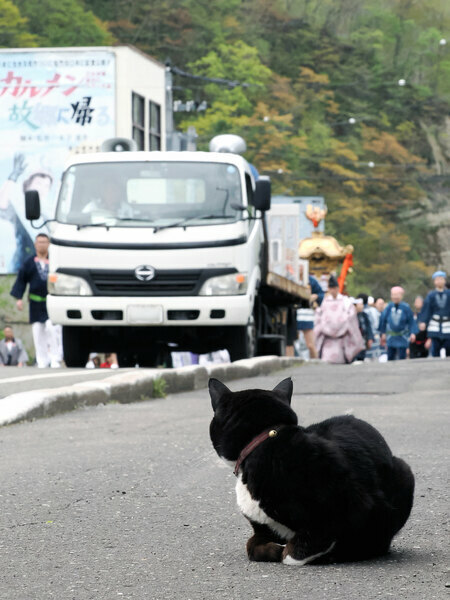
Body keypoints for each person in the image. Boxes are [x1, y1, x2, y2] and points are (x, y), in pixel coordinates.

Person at [10, 233, 62, 368]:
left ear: (49, 244)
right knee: (38, 330)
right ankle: (42, 360)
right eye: (40, 242)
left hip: (51, 301)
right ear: (35, 244)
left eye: (45, 242)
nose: (42, 245)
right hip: (35, 303)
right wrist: (19, 299)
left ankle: (55, 358)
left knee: (52, 327)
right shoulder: (29, 262)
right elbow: (21, 281)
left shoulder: (55, 261)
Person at [313, 275, 365, 364]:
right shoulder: (325, 302)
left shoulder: (345, 301)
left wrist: (343, 321)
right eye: (331, 288)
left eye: (334, 288)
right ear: (329, 289)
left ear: (337, 288)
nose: (332, 290)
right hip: (327, 335)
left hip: (342, 335)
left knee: (341, 359)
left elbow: (351, 315)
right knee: (327, 361)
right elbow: (320, 315)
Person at [379, 286, 416, 361]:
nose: (395, 297)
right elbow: (383, 320)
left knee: (402, 356)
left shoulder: (406, 307)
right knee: (390, 356)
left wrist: (412, 333)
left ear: (401, 296)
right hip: (391, 337)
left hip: (402, 336)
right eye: (393, 294)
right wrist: (382, 333)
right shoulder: (388, 307)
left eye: (397, 295)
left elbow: (411, 321)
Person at [418, 271, 450, 358]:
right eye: (437, 279)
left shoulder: (449, 294)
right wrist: (423, 321)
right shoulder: (431, 295)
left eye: (441, 279)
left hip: (447, 325)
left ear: (444, 280)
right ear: (434, 282)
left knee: (448, 347)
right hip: (435, 325)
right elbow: (426, 309)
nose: (439, 281)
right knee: (435, 349)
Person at [295, 274, 324, 359]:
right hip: (294, 312)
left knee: (310, 344)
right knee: (293, 343)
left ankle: (316, 364)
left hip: (306, 314)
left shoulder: (310, 280)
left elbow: (321, 294)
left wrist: (314, 297)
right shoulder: (291, 277)